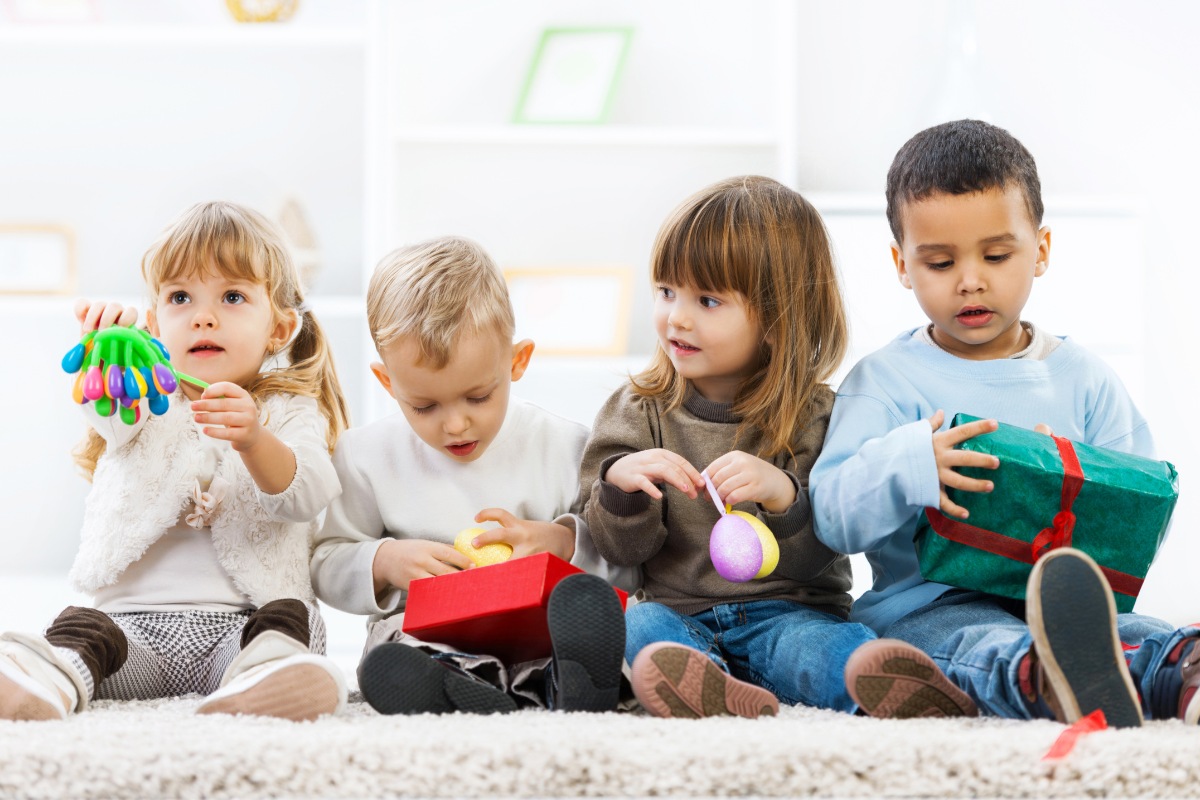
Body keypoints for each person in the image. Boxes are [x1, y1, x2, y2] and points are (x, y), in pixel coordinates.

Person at [810, 119, 1199, 726]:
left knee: (1151, 632)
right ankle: (1044, 680)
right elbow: (832, 517)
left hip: (1073, 603)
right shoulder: (885, 381)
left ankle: (1176, 674)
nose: (971, 279)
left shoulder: (1084, 378)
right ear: (902, 264)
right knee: (969, 643)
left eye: (996, 255)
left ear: (1040, 251)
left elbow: (1144, 513)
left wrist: (1076, 478)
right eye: (939, 262)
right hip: (932, 603)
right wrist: (915, 462)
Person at [0, 201, 351, 722]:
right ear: (156, 320)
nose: (203, 315)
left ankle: (262, 684)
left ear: (279, 330)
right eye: (180, 297)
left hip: (240, 630)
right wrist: (110, 354)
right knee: (81, 631)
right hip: (131, 636)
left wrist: (254, 439)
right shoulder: (143, 396)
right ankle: (44, 680)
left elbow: (310, 492)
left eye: (232, 297)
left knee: (288, 623)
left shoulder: (287, 410)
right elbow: (111, 415)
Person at [578, 175, 885, 720]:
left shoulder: (816, 415)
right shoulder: (635, 411)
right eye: (667, 291)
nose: (677, 316)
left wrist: (782, 495)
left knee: (825, 650)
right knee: (637, 626)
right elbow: (620, 552)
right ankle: (703, 685)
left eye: (708, 299)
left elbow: (829, 546)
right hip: (678, 613)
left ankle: (883, 683)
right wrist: (623, 492)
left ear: (776, 319)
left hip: (791, 614)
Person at [310, 236, 637, 715]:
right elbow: (325, 561)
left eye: (478, 397)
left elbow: (626, 563)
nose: (455, 424)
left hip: (535, 633)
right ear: (388, 383)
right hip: (428, 636)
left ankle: (565, 683)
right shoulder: (364, 454)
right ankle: (466, 689)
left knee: (582, 626)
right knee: (390, 651)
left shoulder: (567, 445)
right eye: (424, 405)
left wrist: (561, 542)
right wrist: (383, 561)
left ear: (516, 361)